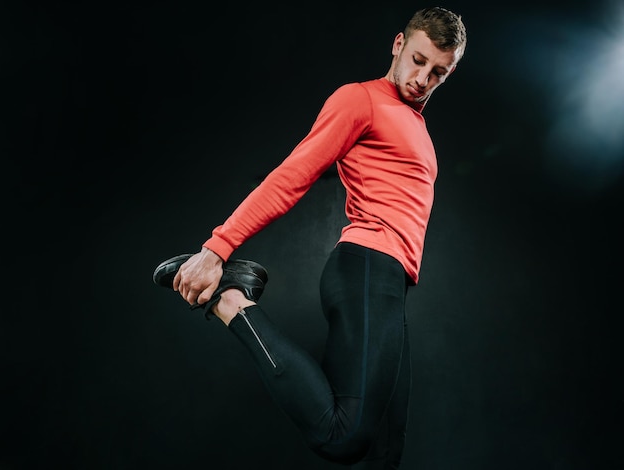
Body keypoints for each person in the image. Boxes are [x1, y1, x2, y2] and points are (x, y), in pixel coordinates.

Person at [153, 6, 467, 469]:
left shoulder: (414, 122)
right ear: (398, 44)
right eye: (418, 60)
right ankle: (230, 299)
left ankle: (232, 290)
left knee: (385, 449)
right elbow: (292, 176)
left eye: (439, 72)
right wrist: (217, 249)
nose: (423, 78)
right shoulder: (360, 99)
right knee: (342, 437)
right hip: (366, 267)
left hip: (390, 285)